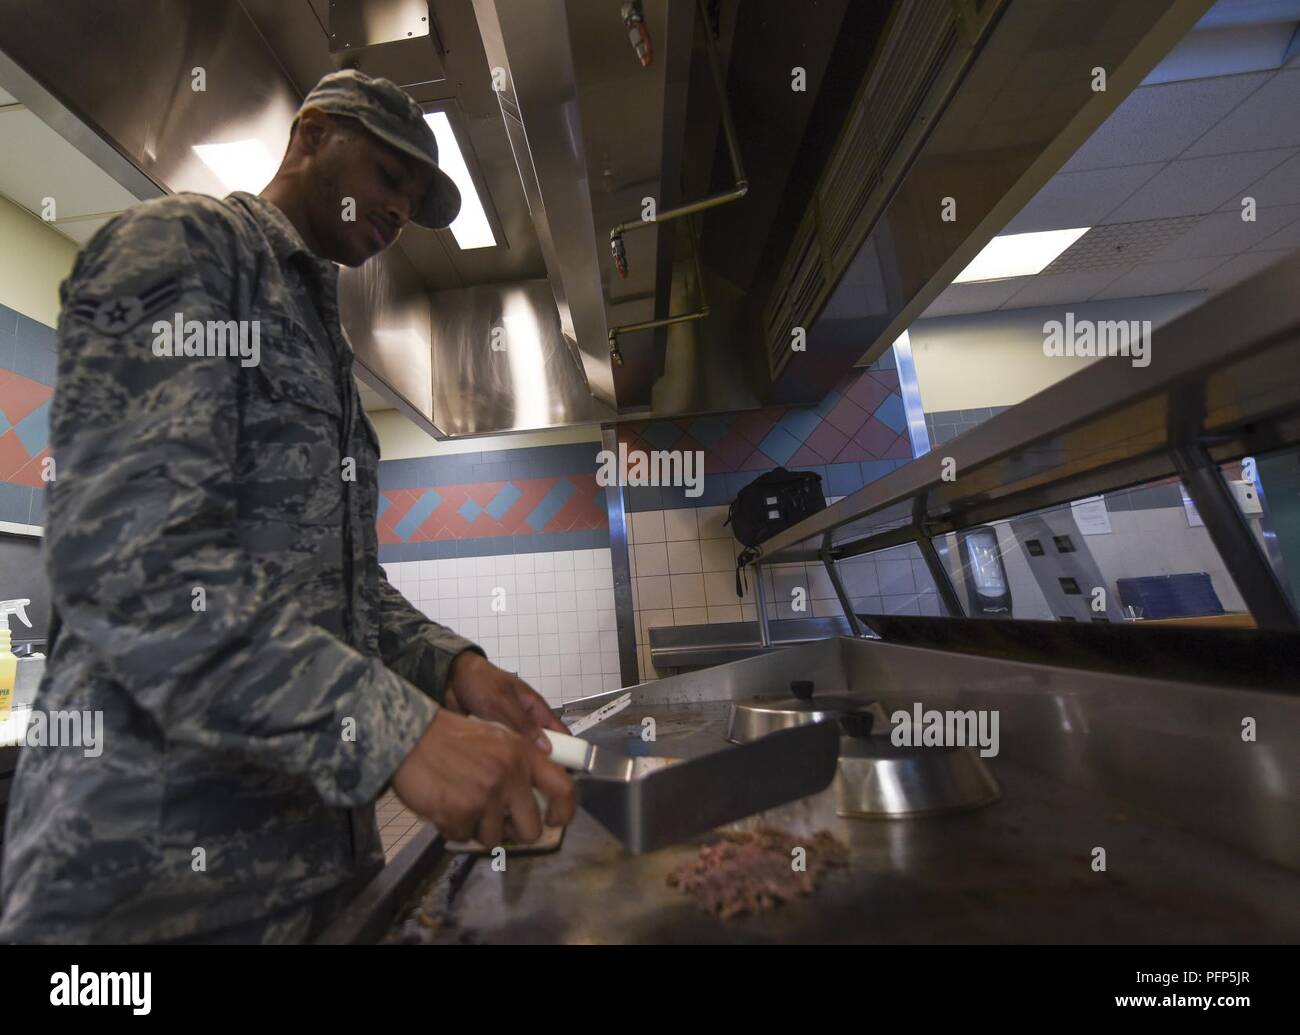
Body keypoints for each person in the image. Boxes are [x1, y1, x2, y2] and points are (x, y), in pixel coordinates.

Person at [0, 69, 576, 944]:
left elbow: (344, 588)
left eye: (411, 197)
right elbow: (138, 568)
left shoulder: (324, 346)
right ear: (310, 136)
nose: (396, 211)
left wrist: (454, 668)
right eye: (388, 176)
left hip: (316, 875)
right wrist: (401, 733)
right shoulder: (185, 250)